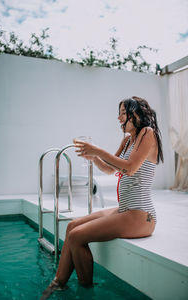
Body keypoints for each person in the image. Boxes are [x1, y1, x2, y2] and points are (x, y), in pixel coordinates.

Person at [40, 96, 164, 299]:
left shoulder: (147, 133)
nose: (119, 118)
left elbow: (130, 168)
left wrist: (97, 149)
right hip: (125, 209)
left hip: (141, 214)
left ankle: (85, 291)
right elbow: (108, 168)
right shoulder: (128, 139)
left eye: (123, 113)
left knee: (76, 236)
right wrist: (94, 158)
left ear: (137, 114)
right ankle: (59, 283)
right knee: (72, 226)